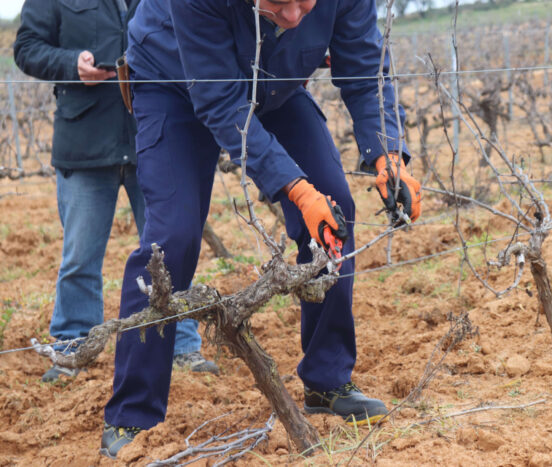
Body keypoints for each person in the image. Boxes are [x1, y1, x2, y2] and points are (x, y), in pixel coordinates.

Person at [99, 0, 422, 458]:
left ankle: (326, 381)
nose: (292, 16)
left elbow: (365, 70)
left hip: (273, 84)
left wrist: (389, 154)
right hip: (174, 84)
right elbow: (221, 102)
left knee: (336, 208)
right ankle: (131, 413)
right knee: (171, 240)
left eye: (303, 2)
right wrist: (296, 191)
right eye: (276, 3)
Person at [13, 0, 219, 384]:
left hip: (156, 140)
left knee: (171, 247)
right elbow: (27, 47)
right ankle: (74, 348)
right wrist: (71, 63)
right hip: (85, 140)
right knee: (79, 256)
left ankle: (182, 346)